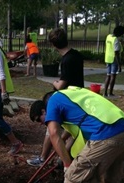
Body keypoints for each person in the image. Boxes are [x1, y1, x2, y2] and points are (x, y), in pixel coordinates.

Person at [29, 87, 124, 183]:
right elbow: (71, 130)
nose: (42, 123)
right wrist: (62, 144)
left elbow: (53, 133)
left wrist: (67, 164)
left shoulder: (52, 100)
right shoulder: (73, 94)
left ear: (44, 110)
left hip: (106, 134)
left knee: (72, 178)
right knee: (108, 179)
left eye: (38, 120)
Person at [26, 28, 84, 167]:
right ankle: (61, 159)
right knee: (72, 131)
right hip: (79, 97)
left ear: (53, 45)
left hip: (68, 99)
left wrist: (54, 83)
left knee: (51, 129)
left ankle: (44, 159)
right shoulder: (77, 55)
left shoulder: (66, 60)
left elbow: (62, 85)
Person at [103, 26, 124, 97]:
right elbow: (116, 53)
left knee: (108, 75)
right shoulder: (115, 40)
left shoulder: (108, 36)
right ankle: (110, 93)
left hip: (107, 58)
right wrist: (119, 65)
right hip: (113, 59)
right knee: (113, 76)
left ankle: (105, 93)